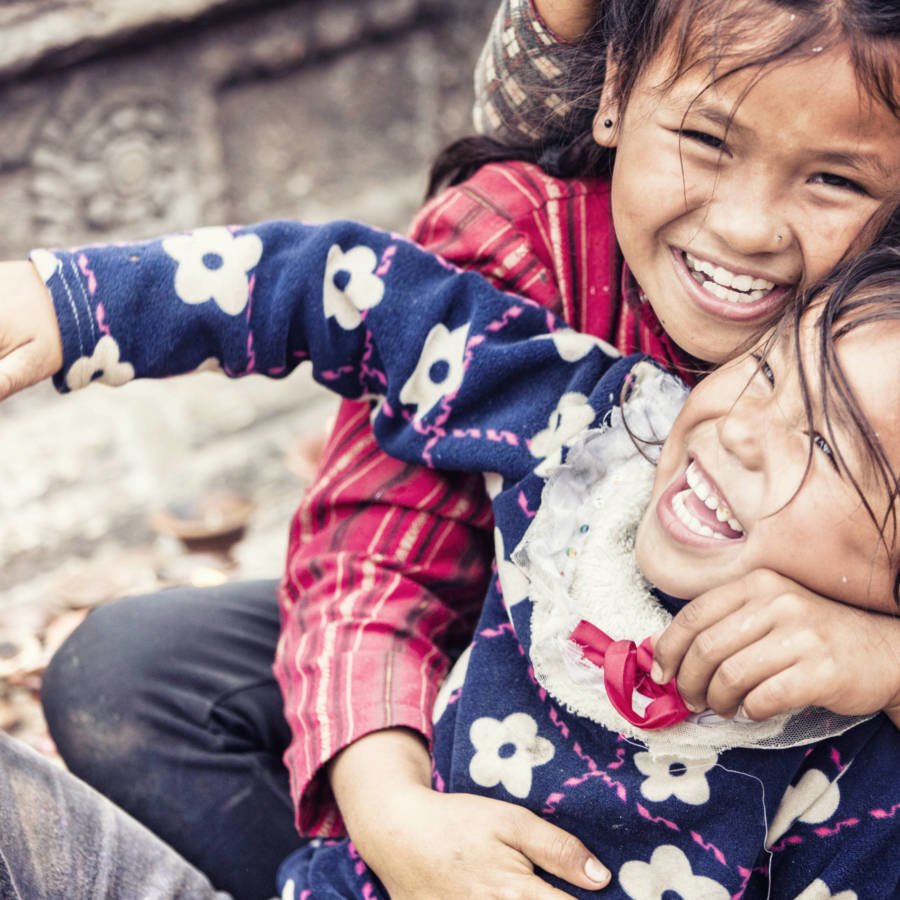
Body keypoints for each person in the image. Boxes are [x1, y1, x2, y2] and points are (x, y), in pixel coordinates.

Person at [1, 0, 897, 896]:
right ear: (618, 87)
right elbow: (340, 307)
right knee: (132, 674)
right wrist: (391, 816)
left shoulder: (854, 773)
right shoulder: (582, 407)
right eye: (707, 139)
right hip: (443, 734)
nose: (747, 227)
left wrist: (881, 662)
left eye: (837, 182)